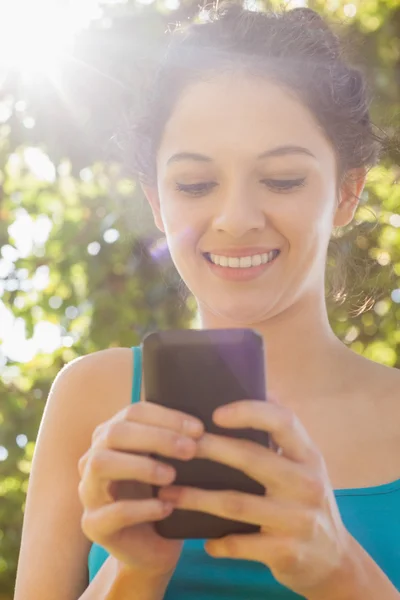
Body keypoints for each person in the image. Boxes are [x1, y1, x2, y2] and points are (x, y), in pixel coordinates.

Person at [14, 4, 400, 600]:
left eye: (282, 179)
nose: (237, 219)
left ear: (348, 192)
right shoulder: (92, 398)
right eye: (195, 184)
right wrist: (133, 569)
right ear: (159, 204)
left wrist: (338, 569)